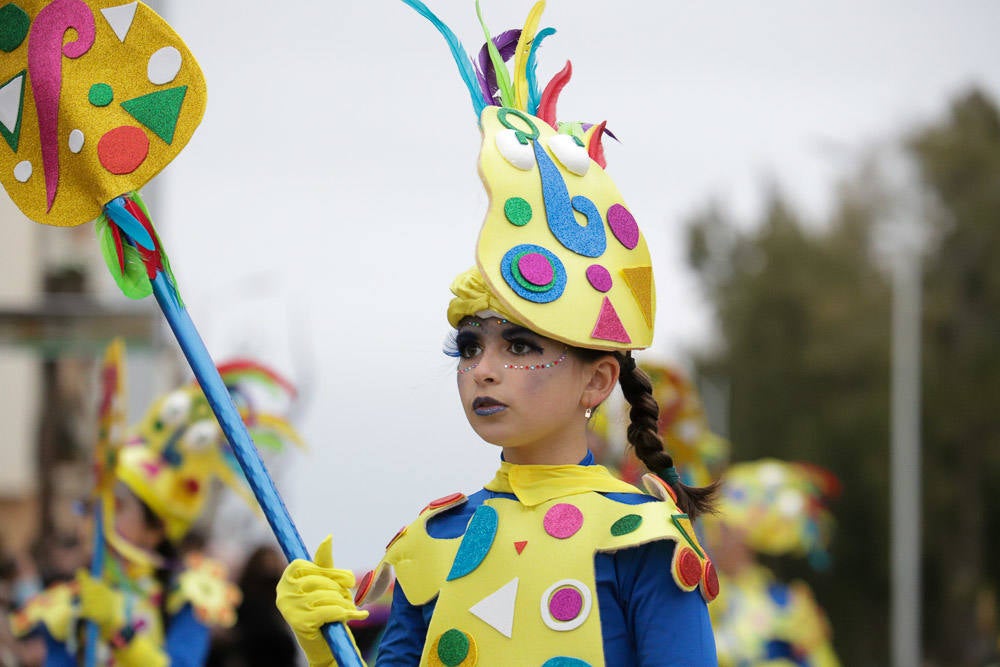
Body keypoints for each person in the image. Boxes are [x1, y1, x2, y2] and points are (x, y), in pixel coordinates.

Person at [275, 2, 720, 665]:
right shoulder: (436, 540)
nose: (483, 369)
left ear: (596, 378)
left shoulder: (643, 540)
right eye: (470, 345)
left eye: (520, 346)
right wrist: (321, 646)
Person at [9, 358, 303, 666]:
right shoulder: (66, 605)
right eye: (93, 506)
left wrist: (120, 633)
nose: (99, 518)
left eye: (118, 506)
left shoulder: (187, 595)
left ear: (155, 529)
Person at [701, 459, 841, 667]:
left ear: (746, 540)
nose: (713, 539)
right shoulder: (701, 594)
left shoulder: (789, 604)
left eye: (723, 529)